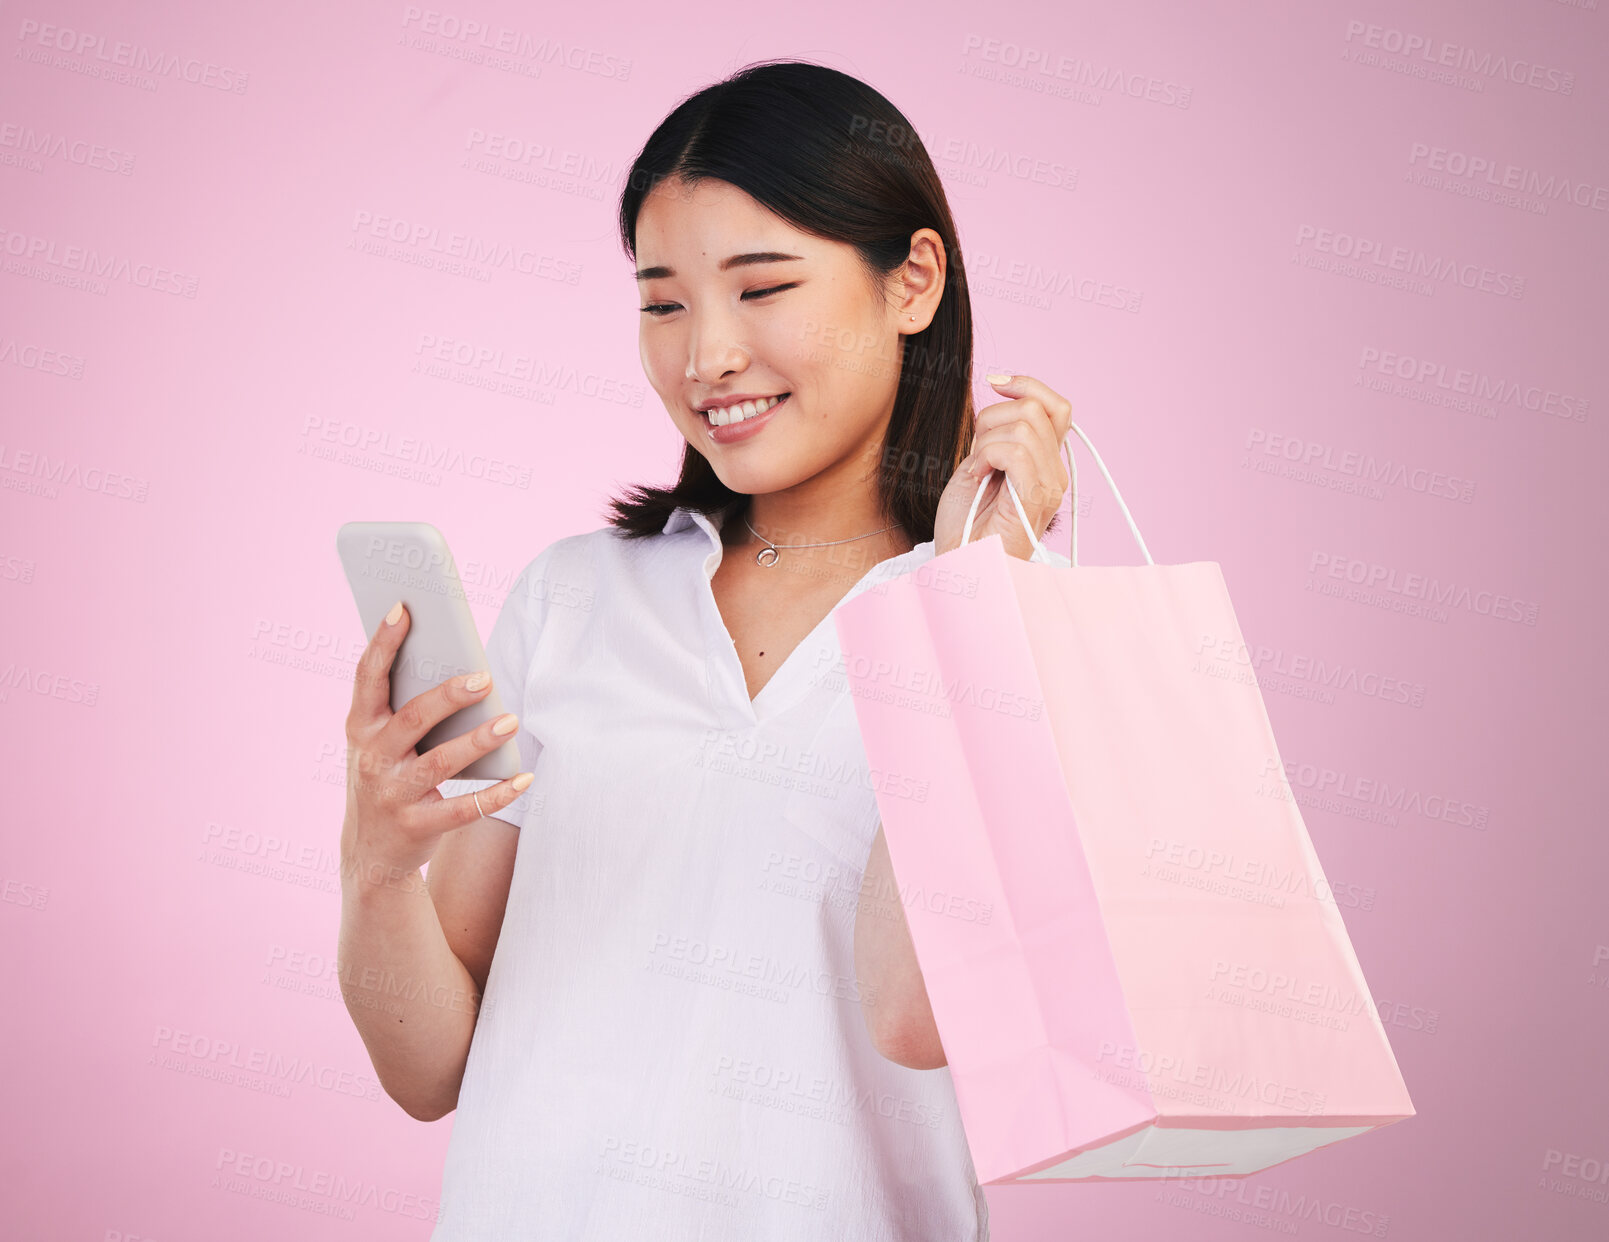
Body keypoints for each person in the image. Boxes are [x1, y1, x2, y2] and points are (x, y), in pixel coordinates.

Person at [337, 58, 1075, 1241]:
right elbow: (430, 1070)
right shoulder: (571, 600)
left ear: (913, 281)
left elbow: (916, 1014)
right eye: (664, 301)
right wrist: (374, 863)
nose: (706, 357)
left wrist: (978, 598)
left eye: (762, 287)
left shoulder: (1026, 620)